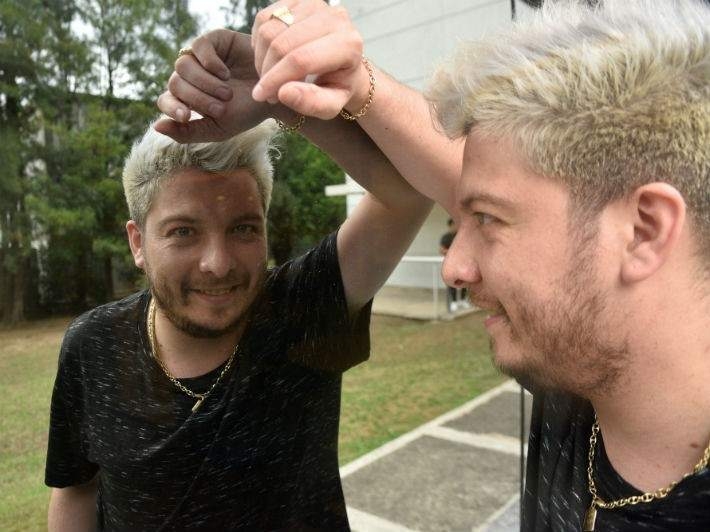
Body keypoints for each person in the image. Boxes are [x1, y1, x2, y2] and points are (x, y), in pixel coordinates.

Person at [157, 0, 710, 530]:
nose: (454, 268)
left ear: (643, 231)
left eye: (487, 219)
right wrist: (308, 85)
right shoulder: (583, 362)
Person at [44, 104, 431, 528]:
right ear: (138, 243)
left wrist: (281, 103)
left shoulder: (301, 309)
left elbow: (408, 188)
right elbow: (76, 487)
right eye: (183, 232)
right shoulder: (93, 345)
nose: (218, 263)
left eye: (243, 228)